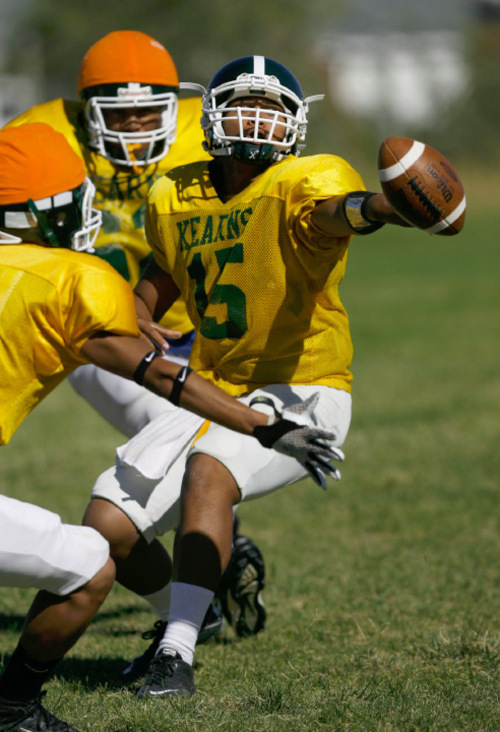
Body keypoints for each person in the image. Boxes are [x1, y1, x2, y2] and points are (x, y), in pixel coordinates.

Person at [79, 54, 418, 700]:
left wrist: (386, 205)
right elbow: (166, 269)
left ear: (295, 127)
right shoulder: (174, 191)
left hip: (306, 389)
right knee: (107, 532)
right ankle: (197, 611)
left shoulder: (303, 181)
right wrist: (140, 311)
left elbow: (336, 213)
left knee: (210, 470)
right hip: (215, 386)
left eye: (272, 110)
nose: (258, 122)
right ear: (210, 117)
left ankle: (174, 657)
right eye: (244, 106)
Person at [0, 122, 344, 728]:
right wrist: (261, 427)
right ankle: (11, 709)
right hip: (236, 390)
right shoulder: (69, 281)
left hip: (282, 378)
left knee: (112, 524)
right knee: (88, 559)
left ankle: (185, 626)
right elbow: (162, 377)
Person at [5, 30, 267, 647]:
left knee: (185, 442)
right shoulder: (41, 136)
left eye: (150, 109)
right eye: (118, 113)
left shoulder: (200, 134)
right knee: (176, 441)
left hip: (176, 313)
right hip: (80, 314)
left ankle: (203, 565)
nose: (137, 124)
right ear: (86, 108)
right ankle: (205, 568)